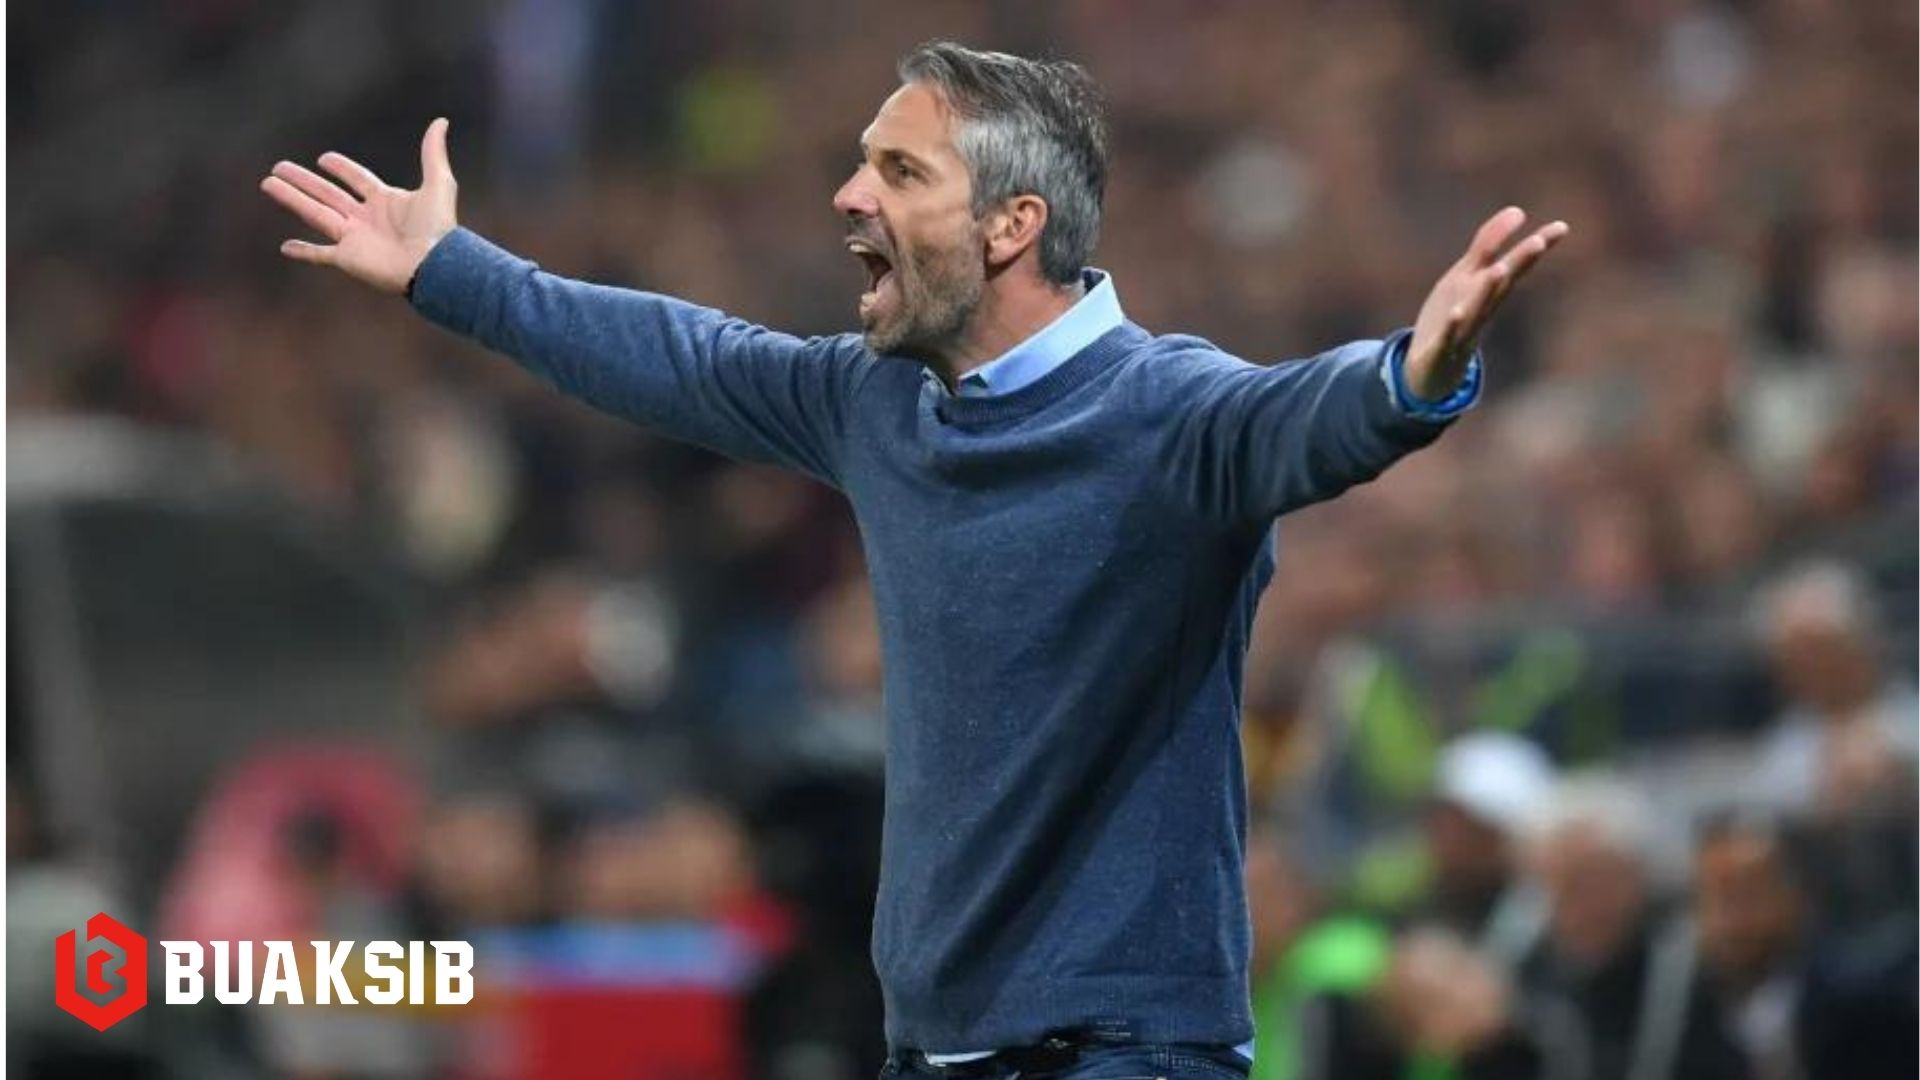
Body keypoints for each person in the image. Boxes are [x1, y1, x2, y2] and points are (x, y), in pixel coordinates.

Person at [260, 40, 1568, 1080]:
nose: (850, 196)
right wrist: (451, 271)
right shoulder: (877, 402)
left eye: (897, 170)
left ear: (1009, 226)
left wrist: (1413, 375)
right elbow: (676, 356)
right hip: (929, 1048)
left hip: (1123, 1052)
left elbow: (1307, 418)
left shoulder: (1168, 415)